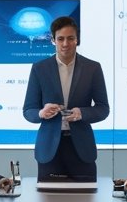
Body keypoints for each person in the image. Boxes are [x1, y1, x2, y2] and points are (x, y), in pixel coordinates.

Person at [22, 15, 109, 180]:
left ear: (77, 40)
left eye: (70, 38)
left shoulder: (93, 68)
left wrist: (82, 113)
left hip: (81, 148)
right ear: (53, 40)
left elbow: (103, 109)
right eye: (60, 39)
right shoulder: (39, 69)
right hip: (49, 149)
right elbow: (28, 110)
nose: (65, 44)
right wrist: (41, 113)